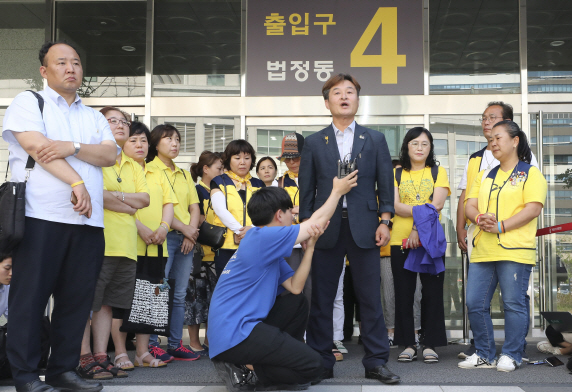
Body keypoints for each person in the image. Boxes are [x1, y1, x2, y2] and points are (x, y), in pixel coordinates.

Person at [3, 40, 118, 392]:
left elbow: (111, 154)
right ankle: (24, 376)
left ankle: (62, 372)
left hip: (88, 224)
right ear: (44, 70)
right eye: (62, 62)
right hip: (40, 217)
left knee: (75, 302)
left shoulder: (93, 116)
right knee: (30, 299)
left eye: (77, 63)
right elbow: (38, 147)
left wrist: (75, 147)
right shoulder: (29, 102)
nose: (71, 68)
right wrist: (77, 179)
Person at [209, 172, 358, 391]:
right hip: (236, 333)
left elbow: (295, 288)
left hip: (241, 329)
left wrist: (310, 249)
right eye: (291, 212)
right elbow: (315, 222)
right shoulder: (263, 237)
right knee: (315, 366)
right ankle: (244, 369)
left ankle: (264, 364)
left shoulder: (264, 244)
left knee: (296, 304)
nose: (293, 217)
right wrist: (337, 191)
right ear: (280, 214)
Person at [299, 73, 400, 384]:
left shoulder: (375, 139)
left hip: (366, 227)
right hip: (325, 227)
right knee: (322, 299)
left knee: (370, 298)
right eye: (337, 93)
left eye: (350, 92)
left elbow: (385, 184)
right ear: (327, 102)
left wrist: (385, 221)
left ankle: (376, 362)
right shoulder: (315, 142)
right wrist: (306, 230)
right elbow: (306, 191)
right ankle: (321, 362)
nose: (344, 97)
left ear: (358, 99)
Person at [459, 120, 547, 372]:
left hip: (516, 250)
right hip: (484, 249)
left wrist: (502, 226)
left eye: (498, 138)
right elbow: (469, 205)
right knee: (475, 302)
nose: (493, 143)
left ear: (515, 140)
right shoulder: (485, 174)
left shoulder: (530, 173)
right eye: (491, 140)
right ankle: (484, 353)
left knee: (513, 303)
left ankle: (512, 354)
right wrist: (477, 218)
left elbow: (533, 209)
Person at [80, 107, 150, 378]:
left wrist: (116, 198)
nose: (120, 125)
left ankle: (101, 356)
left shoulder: (133, 164)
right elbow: (95, 193)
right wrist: (127, 202)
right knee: (88, 302)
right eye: (113, 121)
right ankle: (83, 356)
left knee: (108, 304)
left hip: (126, 246)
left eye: (124, 122)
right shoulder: (94, 157)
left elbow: (144, 200)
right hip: (98, 240)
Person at [390, 127, 450, 363]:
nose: (419, 148)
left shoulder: (438, 172)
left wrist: (416, 227)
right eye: (415, 143)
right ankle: (407, 343)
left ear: (430, 148)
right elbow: (395, 206)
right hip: (400, 240)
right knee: (403, 293)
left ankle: (429, 343)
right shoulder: (396, 174)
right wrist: (420, 214)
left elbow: (437, 205)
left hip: (430, 240)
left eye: (425, 144)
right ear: (406, 146)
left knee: (432, 292)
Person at [122, 121, 176, 367]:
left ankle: (142, 352)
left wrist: (164, 228)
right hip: (127, 244)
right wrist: (140, 227)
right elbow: (114, 203)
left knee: (149, 299)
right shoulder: (118, 168)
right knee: (123, 301)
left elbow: (168, 204)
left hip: (157, 244)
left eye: (143, 140)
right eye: (133, 140)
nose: (139, 145)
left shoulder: (157, 171)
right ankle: (121, 352)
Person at [147, 124, 202, 361]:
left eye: (177, 139)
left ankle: (175, 343)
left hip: (186, 237)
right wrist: (188, 230)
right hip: (164, 236)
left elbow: (194, 206)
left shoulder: (184, 174)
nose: (175, 143)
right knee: (158, 291)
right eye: (168, 139)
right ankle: (150, 344)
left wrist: (191, 232)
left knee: (179, 294)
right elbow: (161, 208)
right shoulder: (148, 171)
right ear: (156, 143)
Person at [185, 151, 224, 357]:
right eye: (219, 168)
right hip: (199, 253)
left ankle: (210, 339)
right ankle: (193, 340)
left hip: (216, 254)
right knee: (196, 297)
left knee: (215, 299)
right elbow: (198, 219)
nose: (222, 172)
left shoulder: (222, 189)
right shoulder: (198, 190)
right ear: (205, 169)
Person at [210, 140, 265, 277]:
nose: (242, 162)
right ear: (228, 159)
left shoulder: (258, 184)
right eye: (237, 158)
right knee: (227, 288)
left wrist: (252, 229)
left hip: (255, 245)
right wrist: (240, 231)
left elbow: (266, 211)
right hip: (226, 245)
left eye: (247, 158)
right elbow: (221, 211)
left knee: (252, 286)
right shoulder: (219, 181)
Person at [275, 133, 312, 311]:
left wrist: (294, 210)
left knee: (313, 289)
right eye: (287, 159)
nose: (291, 163)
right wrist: (299, 210)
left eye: (296, 158)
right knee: (290, 290)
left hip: (313, 239)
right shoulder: (279, 183)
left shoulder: (315, 179)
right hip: (290, 242)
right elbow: (278, 212)